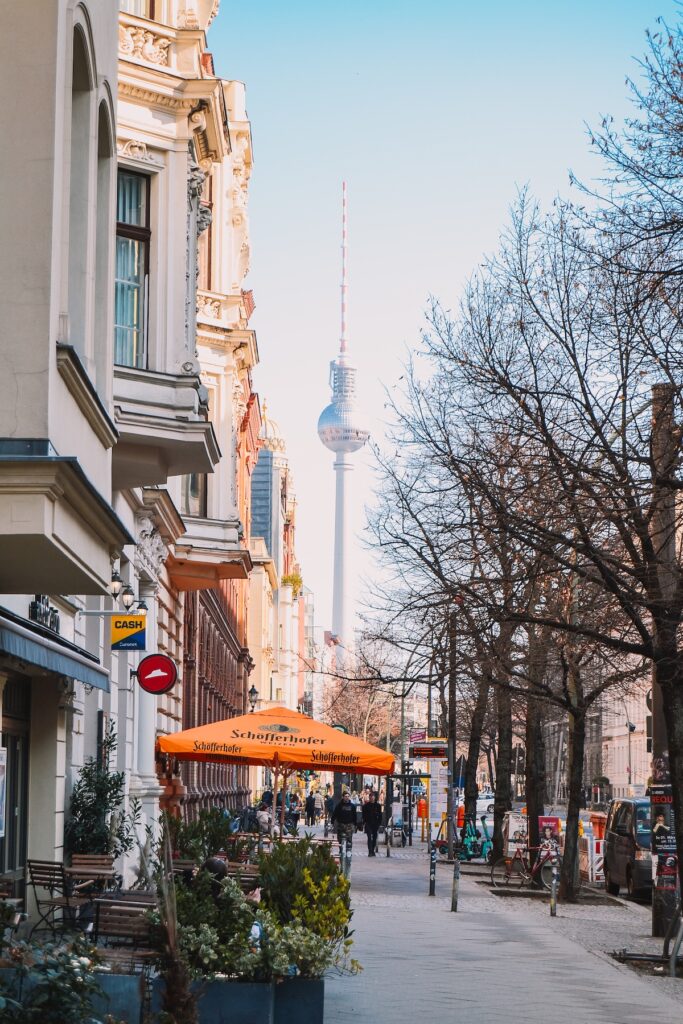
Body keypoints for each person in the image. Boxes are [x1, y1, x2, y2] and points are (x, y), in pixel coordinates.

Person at [332, 791, 357, 878]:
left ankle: (349, 852)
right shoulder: (339, 806)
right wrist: (332, 821)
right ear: (342, 797)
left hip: (349, 826)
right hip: (341, 826)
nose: (346, 798)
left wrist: (356, 824)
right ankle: (341, 851)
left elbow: (354, 816)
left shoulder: (352, 806)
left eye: (348, 796)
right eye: (345, 796)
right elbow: (335, 814)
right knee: (341, 842)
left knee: (349, 842)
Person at [362, 791, 382, 856]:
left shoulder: (378, 806)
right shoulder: (366, 806)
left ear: (374, 798)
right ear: (369, 797)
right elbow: (364, 815)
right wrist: (364, 822)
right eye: (370, 797)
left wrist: (379, 823)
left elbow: (380, 815)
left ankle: (372, 850)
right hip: (368, 824)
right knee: (369, 837)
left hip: (375, 824)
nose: (372, 798)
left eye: (373, 797)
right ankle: (370, 851)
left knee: (374, 838)